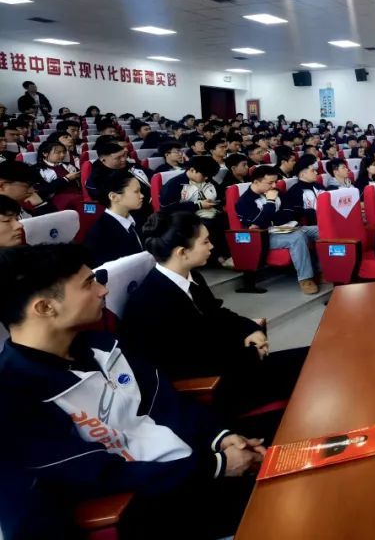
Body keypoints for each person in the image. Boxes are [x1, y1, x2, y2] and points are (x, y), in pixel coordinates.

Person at [0, 244, 265, 540]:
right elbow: (101, 476)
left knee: (287, 450)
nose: (103, 290)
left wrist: (222, 438)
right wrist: (217, 466)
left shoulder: (102, 344)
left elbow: (166, 403)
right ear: (45, 308)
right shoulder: (14, 394)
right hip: (155, 504)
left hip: (195, 462)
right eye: (89, 284)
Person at [121, 211, 308, 438]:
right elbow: (186, 361)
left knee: (312, 359)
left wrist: (250, 329)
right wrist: (249, 353)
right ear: (182, 252)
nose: (212, 246)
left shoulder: (192, 278)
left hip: (236, 366)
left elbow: (218, 314)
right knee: (310, 382)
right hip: (215, 388)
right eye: (205, 242)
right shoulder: (150, 302)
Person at [235, 166, 320, 295]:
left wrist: (271, 219)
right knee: (297, 237)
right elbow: (259, 224)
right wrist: (270, 202)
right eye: (270, 183)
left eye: (275, 182)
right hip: (265, 237)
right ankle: (305, 279)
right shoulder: (244, 201)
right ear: (256, 182)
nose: (274, 185)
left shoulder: (276, 191)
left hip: (288, 228)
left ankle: (325, 269)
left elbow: (290, 212)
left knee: (321, 230)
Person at [85, 171, 146, 266]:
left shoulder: (140, 219)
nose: (142, 196)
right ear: (114, 197)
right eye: (136, 192)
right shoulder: (99, 234)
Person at [86, 141, 153, 222]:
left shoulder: (132, 166)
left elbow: (153, 178)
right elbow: (108, 203)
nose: (124, 159)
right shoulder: (97, 179)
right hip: (129, 213)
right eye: (118, 158)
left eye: (124, 155)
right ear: (103, 160)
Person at [33, 141, 83, 211]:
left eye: (64, 152)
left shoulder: (69, 166)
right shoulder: (37, 170)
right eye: (58, 152)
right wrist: (66, 179)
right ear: (45, 153)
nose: (62, 155)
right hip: (56, 202)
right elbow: (43, 190)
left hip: (78, 197)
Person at [283, 154, 324, 225]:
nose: (316, 173)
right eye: (313, 171)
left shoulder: (319, 186)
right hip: (312, 225)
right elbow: (297, 215)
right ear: (302, 174)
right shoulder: (295, 191)